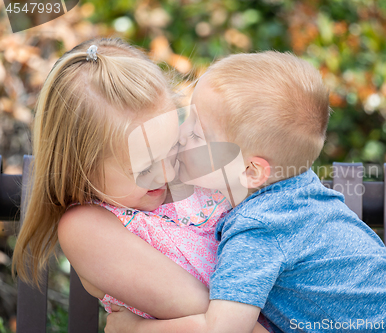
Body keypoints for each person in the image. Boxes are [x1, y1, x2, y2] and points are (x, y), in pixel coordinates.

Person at [105, 51, 386, 333]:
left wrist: (137, 329)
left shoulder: (259, 228)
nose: (181, 136)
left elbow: (223, 328)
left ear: (251, 170)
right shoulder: (300, 191)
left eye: (198, 135)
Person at [11, 38, 269, 332]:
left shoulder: (197, 176)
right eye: (144, 167)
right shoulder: (87, 228)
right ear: (81, 168)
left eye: (172, 146)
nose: (166, 172)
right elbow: (231, 326)